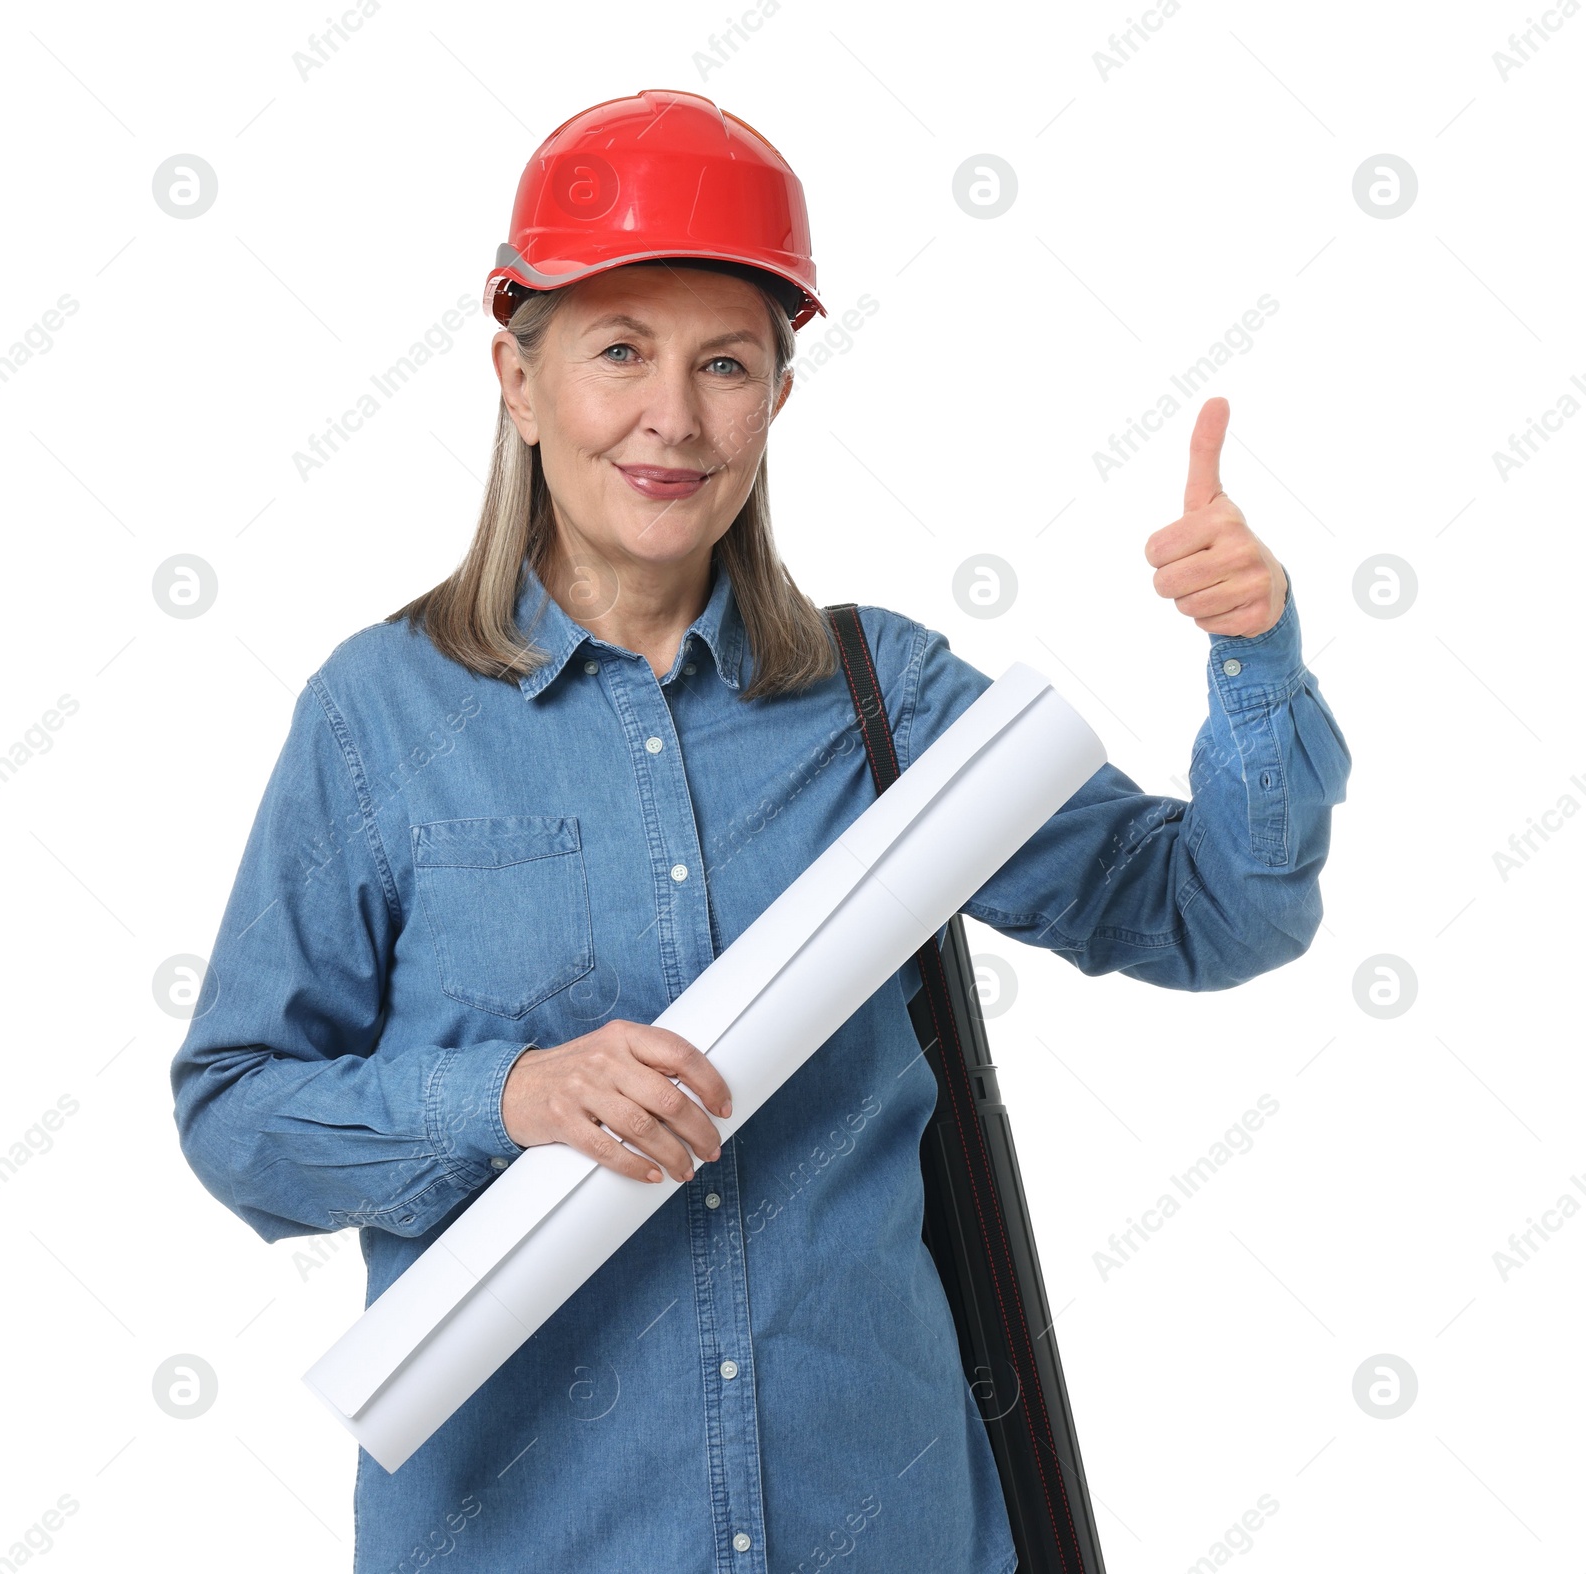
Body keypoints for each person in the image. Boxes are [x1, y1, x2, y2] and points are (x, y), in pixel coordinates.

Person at [169, 88, 1350, 1574]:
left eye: (724, 362)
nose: (674, 416)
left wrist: (1254, 658)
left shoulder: (887, 701)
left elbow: (1211, 914)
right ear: (517, 380)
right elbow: (239, 1116)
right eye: (618, 351)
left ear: (777, 396)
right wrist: (509, 1096)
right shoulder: (382, 717)